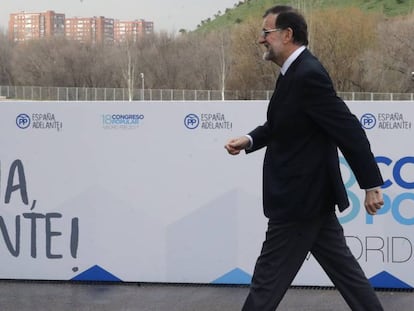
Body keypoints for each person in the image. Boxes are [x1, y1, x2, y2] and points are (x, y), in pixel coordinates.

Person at [224, 5, 385, 311]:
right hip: (312, 200)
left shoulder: (308, 75)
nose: (261, 39)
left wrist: (371, 184)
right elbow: (281, 125)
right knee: (349, 277)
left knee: (266, 284)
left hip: (298, 202)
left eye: (266, 32)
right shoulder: (292, 73)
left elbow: (348, 129)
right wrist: (249, 140)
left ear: (287, 35)